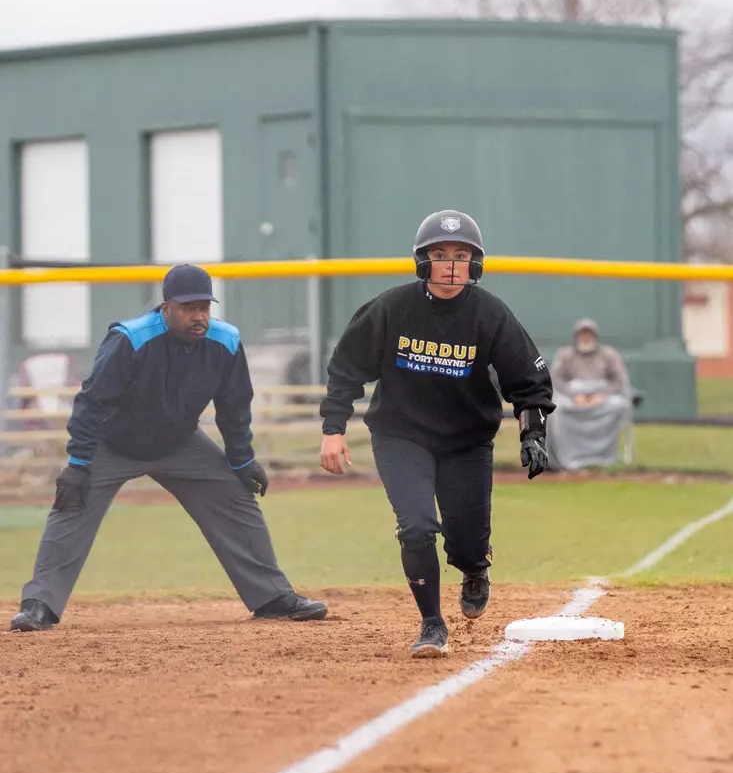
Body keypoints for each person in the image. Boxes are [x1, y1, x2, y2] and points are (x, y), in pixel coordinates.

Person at [10, 264, 327, 632]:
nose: (198, 316)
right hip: (113, 443)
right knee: (71, 504)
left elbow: (235, 407)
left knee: (236, 495)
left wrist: (243, 462)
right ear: (166, 308)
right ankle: (39, 605)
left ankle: (272, 597)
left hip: (180, 442)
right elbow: (92, 401)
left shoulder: (225, 341)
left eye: (204, 307)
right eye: (189, 308)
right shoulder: (130, 339)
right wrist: (78, 464)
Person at [319, 210, 554, 659]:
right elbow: (346, 369)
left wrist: (532, 432)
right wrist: (333, 429)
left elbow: (527, 379)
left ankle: (474, 569)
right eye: (440, 254)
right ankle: (431, 623)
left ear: (475, 263)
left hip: (466, 440)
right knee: (417, 525)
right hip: (400, 434)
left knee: (466, 543)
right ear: (422, 261)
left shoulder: (490, 314)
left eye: (461, 255)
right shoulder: (391, 308)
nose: (450, 264)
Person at [547, 318, 633, 472]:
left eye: (589, 334)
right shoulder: (565, 355)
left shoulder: (609, 355)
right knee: (557, 410)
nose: (586, 338)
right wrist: (574, 395)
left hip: (601, 399)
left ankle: (603, 456)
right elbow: (555, 379)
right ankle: (566, 458)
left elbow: (620, 381)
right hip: (573, 399)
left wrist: (602, 396)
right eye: (582, 334)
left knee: (618, 405)